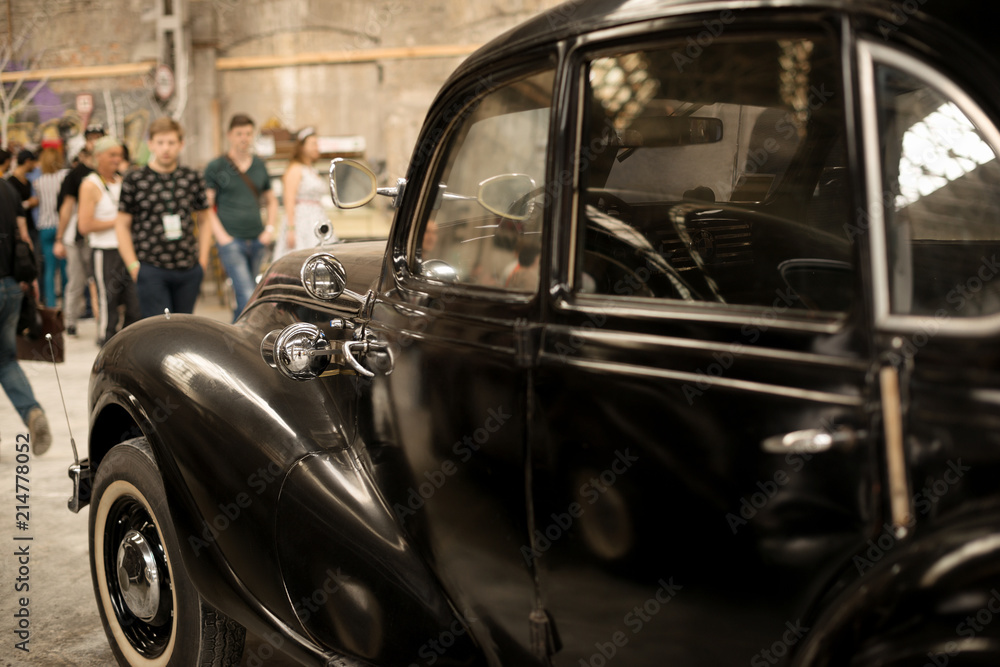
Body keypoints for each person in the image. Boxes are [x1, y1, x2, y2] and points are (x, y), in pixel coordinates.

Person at [116, 117, 214, 318]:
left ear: (181, 144)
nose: (166, 148)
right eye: (160, 143)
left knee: (183, 327)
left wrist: (202, 260)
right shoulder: (135, 179)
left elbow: (205, 219)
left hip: (188, 268)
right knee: (161, 329)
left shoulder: (192, 177)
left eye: (171, 143)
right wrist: (134, 265)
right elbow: (122, 225)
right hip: (151, 267)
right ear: (150, 144)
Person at [204, 113, 278, 321]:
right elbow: (206, 206)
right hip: (231, 240)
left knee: (249, 293)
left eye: (247, 133)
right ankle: (246, 340)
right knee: (247, 294)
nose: (244, 138)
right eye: (239, 134)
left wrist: (269, 229)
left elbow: (271, 200)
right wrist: (222, 237)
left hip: (257, 239)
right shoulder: (217, 167)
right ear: (230, 135)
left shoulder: (259, 166)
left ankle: (235, 336)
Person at [0, 165, 52, 455]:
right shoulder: (7, 188)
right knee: (6, 360)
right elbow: (24, 237)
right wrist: (31, 281)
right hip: (10, 287)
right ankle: (32, 412)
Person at [78, 136, 140, 345]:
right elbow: (84, 225)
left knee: (134, 303)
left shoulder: (122, 181)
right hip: (105, 251)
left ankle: (127, 344)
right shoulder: (90, 184)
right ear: (98, 157)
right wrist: (119, 222)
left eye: (119, 155)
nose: (116, 159)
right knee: (108, 302)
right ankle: (106, 344)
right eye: (111, 155)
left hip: (127, 249)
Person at [56, 124, 105, 336]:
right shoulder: (75, 174)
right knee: (76, 280)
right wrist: (59, 237)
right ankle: (70, 322)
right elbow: (67, 207)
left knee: (101, 281)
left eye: (99, 137)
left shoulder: (108, 171)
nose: (94, 142)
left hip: (101, 235)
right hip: (76, 235)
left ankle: (103, 323)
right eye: (91, 138)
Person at [279, 127, 334, 256]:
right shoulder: (295, 169)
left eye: (317, 144)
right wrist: (291, 228)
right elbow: (289, 198)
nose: (317, 148)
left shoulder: (312, 170)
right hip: (301, 221)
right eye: (313, 144)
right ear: (302, 147)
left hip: (317, 218)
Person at [34, 145, 69, 308]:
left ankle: (51, 303)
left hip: (45, 226)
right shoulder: (64, 176)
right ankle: (66, 301)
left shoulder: (38, 182)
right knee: (64, 268)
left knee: (49, 268)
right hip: (62, 225)